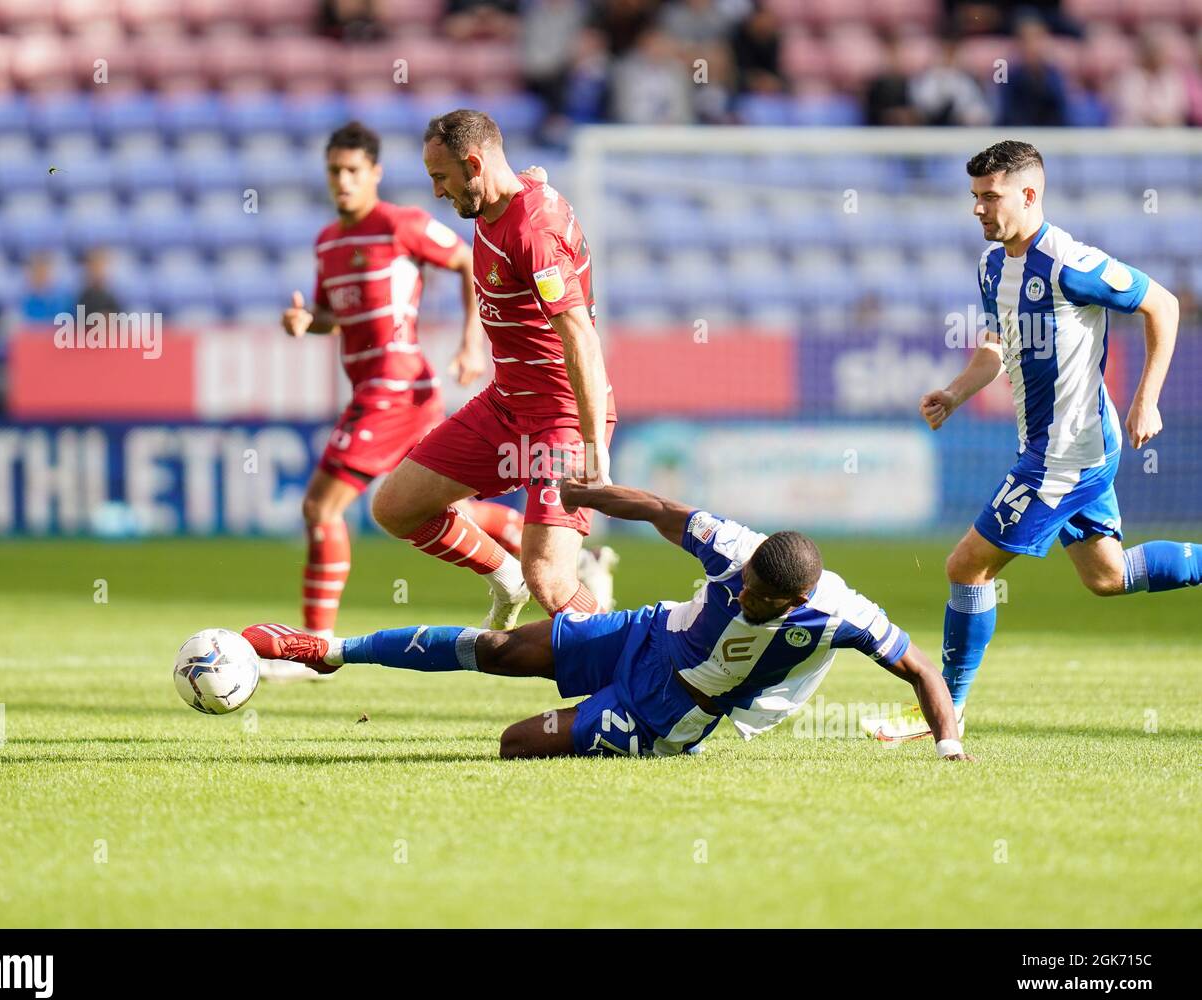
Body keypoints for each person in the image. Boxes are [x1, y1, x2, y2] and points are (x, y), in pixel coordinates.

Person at [243, 479, 971, 761]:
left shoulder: (841, 614)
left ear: (791, 605)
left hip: (671, 709)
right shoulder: (737, 552)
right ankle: (330, 649)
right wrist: (579, 492)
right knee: (496, 648)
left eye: (752, 598)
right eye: (743, 586)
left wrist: (947, 747)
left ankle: (606, 680)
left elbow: (918, 667)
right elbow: (657, 509)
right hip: (646, 634)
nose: (741, 594)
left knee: (515, 744)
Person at [864, 139, 1188, 741]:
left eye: (990, 197)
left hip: (1068, 452)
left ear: (1029, 194)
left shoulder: (1071, 263)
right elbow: (997, 344)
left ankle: (945, 709)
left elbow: (1162, 306)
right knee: (1107, 576)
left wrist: (1147, 397)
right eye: (974, 198)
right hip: (1055, 446)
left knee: (966, 566)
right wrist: (957, 392)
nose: (979, 209)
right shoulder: (992, 267)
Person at [266, 120, 531, 680]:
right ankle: (568, 561)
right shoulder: (328, 242)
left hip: (396, 385)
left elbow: (463, 260)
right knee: (443, 509)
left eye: (352, 171)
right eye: (334, 171)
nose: (341, 181)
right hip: (372, 387)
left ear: (375, 174)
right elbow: (332, 317)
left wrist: (468, 340)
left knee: (320, 506)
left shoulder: (401, 225)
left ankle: (316, 645)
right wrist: (307, 321)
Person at [371, 109, 618, 634]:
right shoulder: (503, 197)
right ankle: (505, 577)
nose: (437, 192)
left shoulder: (532, 232)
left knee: (551, 579)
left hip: (560, 418)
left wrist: (593, 447)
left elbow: (581, 338)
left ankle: (632, 660)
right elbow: (528, 181)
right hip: (506, 406)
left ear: (475, 163)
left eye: (441, 177)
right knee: (395, 508)